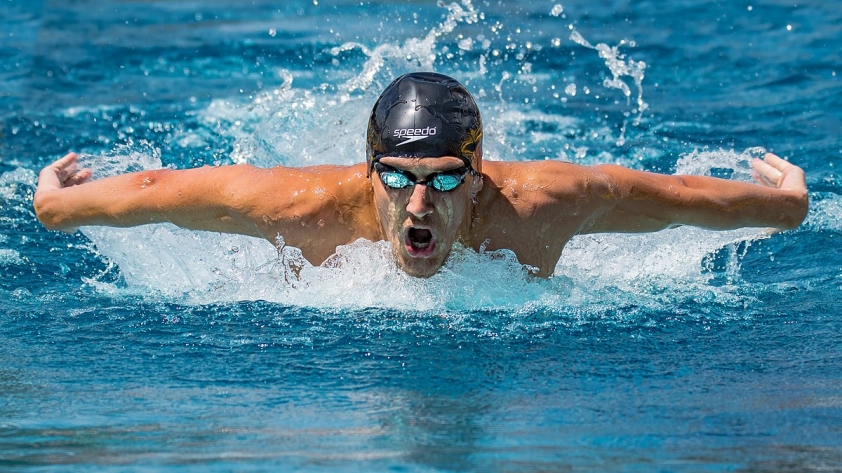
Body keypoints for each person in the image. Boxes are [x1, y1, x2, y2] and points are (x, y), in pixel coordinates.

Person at [33, 72, 809, 278]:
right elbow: (155, 194)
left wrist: (787, 206)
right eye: (398, 177)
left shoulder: (541, 204)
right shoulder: (308, 209)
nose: (417, 205)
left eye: (441, 180)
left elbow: (675, 199)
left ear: (477, 175)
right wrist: (53, 203)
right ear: (368, 169)